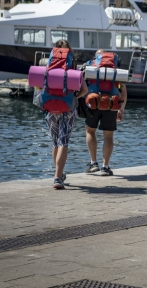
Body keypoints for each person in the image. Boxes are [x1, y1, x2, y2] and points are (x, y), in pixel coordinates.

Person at [44, 39, 88, 190]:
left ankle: (58, 174)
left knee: (55, 142)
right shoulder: (75, 70)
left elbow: (39, 88)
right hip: (68, 109)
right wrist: (73, 97)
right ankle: (58, 177)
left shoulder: (48, 68)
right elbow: (85, 90)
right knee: (64, 141)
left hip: (50, 108)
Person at [84, 49, 127, 176]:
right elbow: (123, 91)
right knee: (108, 136)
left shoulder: (91, 66)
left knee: (90, 131)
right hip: (111, 104)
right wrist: (121, 108)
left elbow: (83, 86)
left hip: (93, 102)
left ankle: (93, 163)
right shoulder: (115, 70)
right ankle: (105, 167)